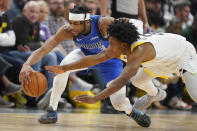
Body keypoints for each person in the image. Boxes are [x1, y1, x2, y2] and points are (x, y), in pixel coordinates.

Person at [19, 5, 156, 127]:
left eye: (76, 24)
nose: (71, 27)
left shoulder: (104, 23)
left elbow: (129, 28)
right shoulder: (67, 30)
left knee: (118, 103)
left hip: (110, 61)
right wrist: (27, 64)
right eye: (70, 23)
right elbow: (44, 49)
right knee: (63, 67)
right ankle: (51, 111)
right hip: (86, 56)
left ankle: (131, 111)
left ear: (87, 22)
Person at [49, 19, 197, 113]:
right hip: (158, 60)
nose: (109, 45)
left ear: (123, 45)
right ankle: (156, 94)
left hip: (182, 56)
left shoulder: (139, 52)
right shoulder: (122, 45)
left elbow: (121, 81)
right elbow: (95, 58)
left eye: (111, 42)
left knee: (195, 95)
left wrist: (96, 98)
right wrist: (64, 68)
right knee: (138, 81)